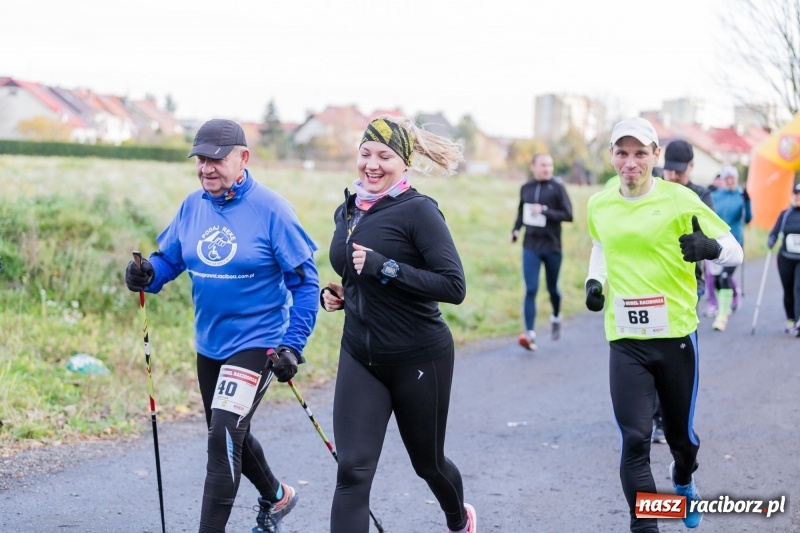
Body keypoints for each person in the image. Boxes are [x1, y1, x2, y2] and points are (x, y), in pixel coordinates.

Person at [124, 119, 319, 533]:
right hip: (211, 342)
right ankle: (278, 496)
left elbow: (305, 284)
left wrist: (292, 344)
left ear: (243, 158)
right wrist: (146, 274)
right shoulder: (193, 206)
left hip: (259, 341)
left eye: (216, 159)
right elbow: (169, 260)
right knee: (226, 432)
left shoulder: (272, 209)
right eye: (200, 159)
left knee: (223, 435)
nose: (206, 168)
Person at [584, 117, 743, 533]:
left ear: (656, 156)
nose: (630, 162)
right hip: (626, 338)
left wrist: (709, 248)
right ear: (613, 157)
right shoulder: (600, 203)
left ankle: (684, 480)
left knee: (681, 441)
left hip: (675, 337)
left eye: (640, 153)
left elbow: (735, 250)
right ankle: (647, 526)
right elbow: (601, 245)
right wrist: (594, 281)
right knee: (635, 439)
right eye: (622, 152)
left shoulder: (679, 200)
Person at [320, 116, 476, 533]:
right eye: (365, 154)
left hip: (419, 358)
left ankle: (459, 519)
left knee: (429, 465)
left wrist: (384, 267)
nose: (372, 164)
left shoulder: (419, 211)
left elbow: (453, 286)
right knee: (352, 471)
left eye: (384, 156)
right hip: (360, 355)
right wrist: (339, 294)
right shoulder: (349, 207)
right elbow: (355, 275)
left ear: (404, 163)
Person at [655, 139, 715, 444]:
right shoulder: (652, 184)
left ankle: (670, 416)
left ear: (691, 167)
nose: (672, 176)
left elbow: (711, 239)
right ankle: (656, 418)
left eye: (679, 171)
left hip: (688, 282)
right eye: (668, 170)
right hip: (652, 281)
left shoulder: (701, 195)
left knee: (673, 352)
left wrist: (701, 242)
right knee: (650, 345)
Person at [511, 153, 574, 350]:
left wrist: (544, 210)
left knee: (552, 288)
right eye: (543, 165)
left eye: (550, 165)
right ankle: (530, 334)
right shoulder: (526, 188)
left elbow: (569, 215)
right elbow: (521, 211)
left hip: (552, 246)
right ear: (533, 166)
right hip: (531, 246)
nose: (548, 169)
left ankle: (556, 316)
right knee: (531, 289)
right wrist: (515, 230)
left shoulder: (557, 187)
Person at [707, 165, 752, 331]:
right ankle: (727, 302)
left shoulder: (741, 196)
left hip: (735, 243)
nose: (730, 181)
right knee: (717, 279)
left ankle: (722, 315)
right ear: (723, 180)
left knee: (725, 277)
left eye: (733, 178)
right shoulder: (715, 196)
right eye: (727, 178)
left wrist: (747, 200)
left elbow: (748, 219)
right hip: (717, 242)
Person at [767, 182, 800, 336]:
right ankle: (791, 320)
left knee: (798, 288)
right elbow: (775, 231)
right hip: (786, 257)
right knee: (788, 290)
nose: (798, 197)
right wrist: (772, 239)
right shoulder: (786, 213)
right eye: (797, 194)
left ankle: (799, 321)